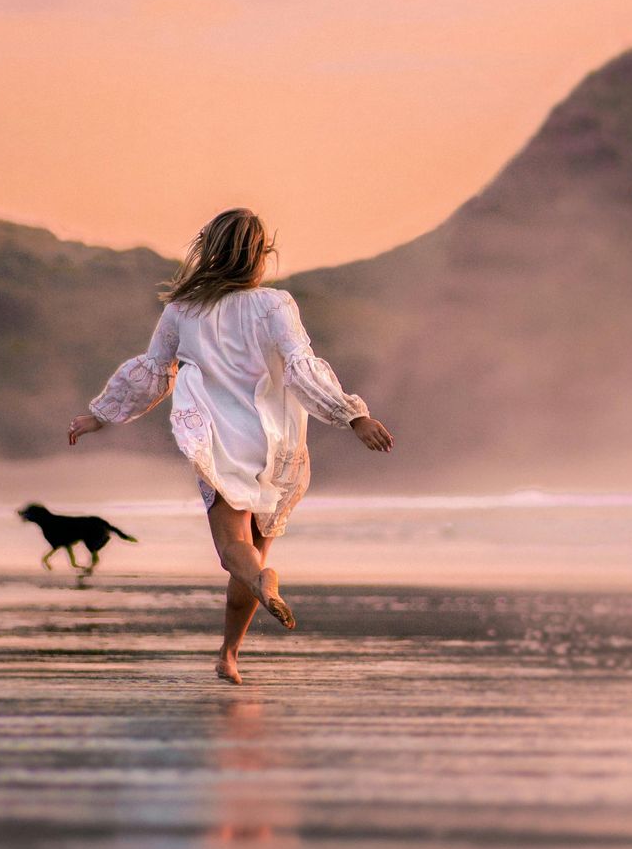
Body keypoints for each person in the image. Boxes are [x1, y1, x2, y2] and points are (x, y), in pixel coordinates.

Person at [69, 207, 393, 683]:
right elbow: (302, 365)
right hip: (276, 438)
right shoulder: (276, 304)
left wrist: (98, 415)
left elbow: (155, 373)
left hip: (221, 440)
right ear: (260, 255)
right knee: (253, 553)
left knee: (233, 550)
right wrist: (353, 416)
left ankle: (260, 591)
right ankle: (229, 654)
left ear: (210, 250)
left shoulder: (182, 310)